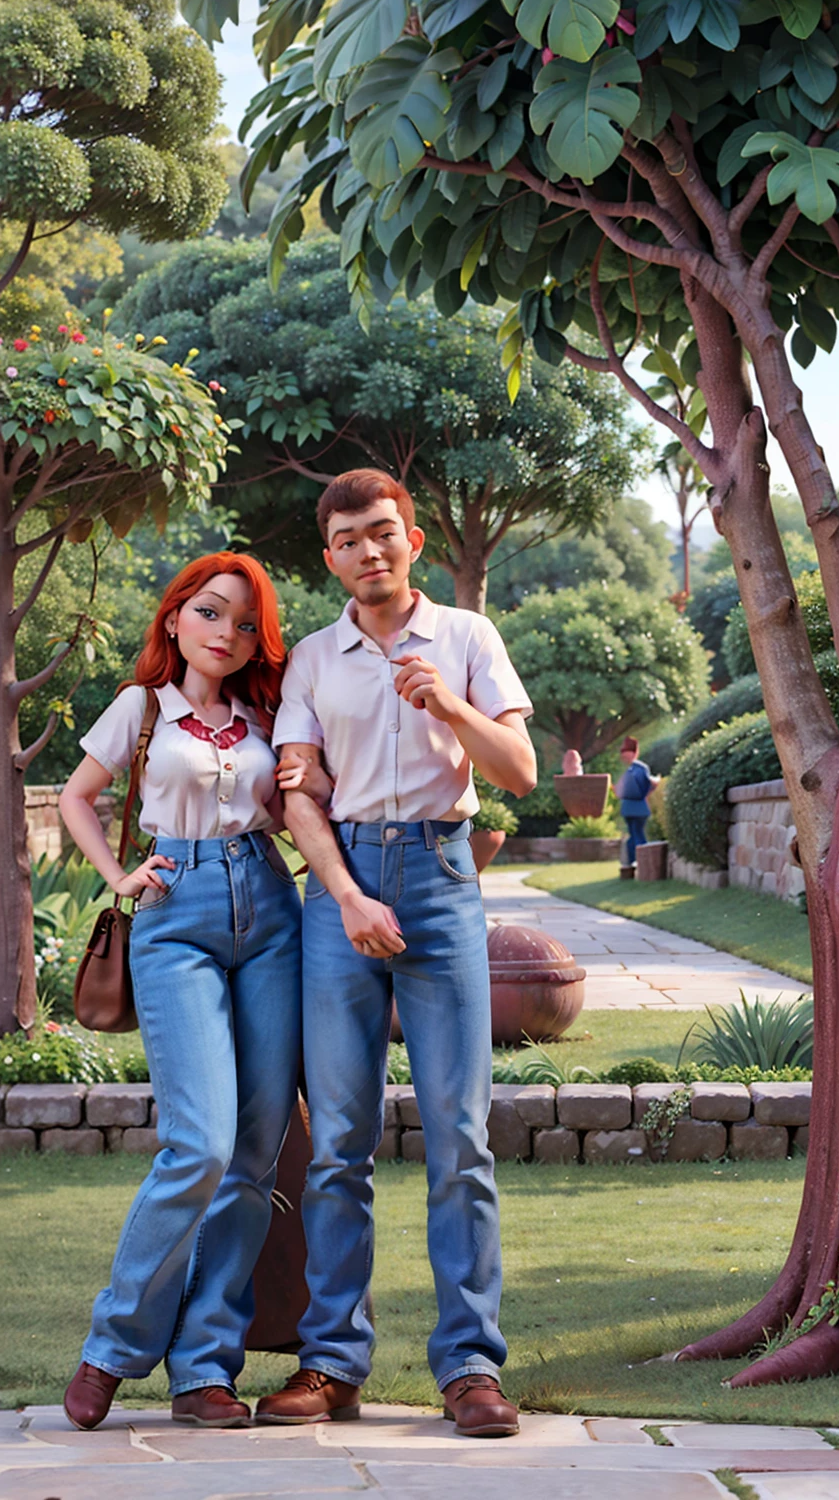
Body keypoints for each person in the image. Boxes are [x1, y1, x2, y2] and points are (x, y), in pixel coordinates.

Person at [260, 469, 536, 1438]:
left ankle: (469, 1366)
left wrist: (451, 708)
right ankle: (332, 1360)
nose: (368, 550)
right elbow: (298, 792)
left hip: (441, 874)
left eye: (383, 532)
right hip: (343, 888)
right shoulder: (313, 660)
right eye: (348, 539)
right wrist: (345, 896)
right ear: (328, 555)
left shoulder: (465, 638)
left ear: (413, 537)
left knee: (460, 1136)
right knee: (339, 1140)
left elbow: (521, 771)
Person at [57, 554, 320, 1432]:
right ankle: (113, 1346)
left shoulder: (262, 716)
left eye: (246, 624)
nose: (227, 633)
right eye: (211, 613)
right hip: (176, 916)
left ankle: (204, 1368)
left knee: (253, 1154)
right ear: (175, 619)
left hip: (270, 909)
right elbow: (76, 797)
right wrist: (118, 876)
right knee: (197, 1147)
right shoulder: (141, 710)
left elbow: (291, 813)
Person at [615, 735, 655, 870]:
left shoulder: (634, 769)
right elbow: (647, 786)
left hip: (632, 807)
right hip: (637, 807)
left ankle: (636, 862)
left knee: (635, 834)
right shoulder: (639, 768)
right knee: (636, 834)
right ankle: (638, 863)